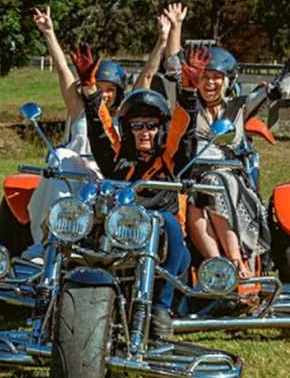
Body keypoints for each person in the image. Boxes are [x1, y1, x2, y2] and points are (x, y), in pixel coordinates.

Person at [164, 8, 290, 279]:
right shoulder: (188, 104)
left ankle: (237, 263)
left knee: (212, 188)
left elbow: (278, 89)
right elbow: (173, 67)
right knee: (194, 205)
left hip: (230, 177)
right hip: (191, 178)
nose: (211, 82)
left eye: (217, 77)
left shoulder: (238, 107)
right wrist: (176, 27)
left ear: (227, 81)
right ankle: (219, 267)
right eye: (205, 76)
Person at [77, 42, 209, 338]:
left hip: (160, 231)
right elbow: (100, 130)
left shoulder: (170, 159)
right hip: (120, 228)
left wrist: (188, 90)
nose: (144, 131)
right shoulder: (118, 159)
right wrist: (88, 89)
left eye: (151, 125)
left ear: (160, 128)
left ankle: (160, 307)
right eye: (137, 125)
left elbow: (184, 134)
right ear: (128, 129)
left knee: (174, 234)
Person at [25, 6, 172, 244]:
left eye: (110, 90)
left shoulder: (126, 115)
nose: (103, 95)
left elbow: (147, 75)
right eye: (99, 88)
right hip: (74, 172)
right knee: (61, 156)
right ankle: (47, 242)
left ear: (119, 91)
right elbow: (63, 69)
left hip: (113, 174)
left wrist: (162, 41)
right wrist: (48, 31)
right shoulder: (79, 109)